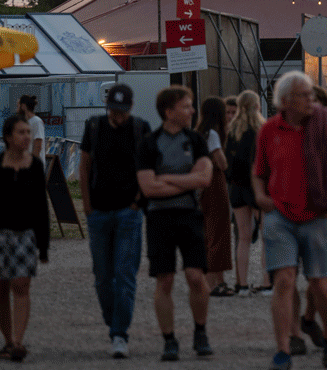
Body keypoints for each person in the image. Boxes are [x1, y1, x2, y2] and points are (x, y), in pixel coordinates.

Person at [254, 72, 327, 370]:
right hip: (280, 214)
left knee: (319, 282)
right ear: (287, 100)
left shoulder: (324, 126)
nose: (311, 100)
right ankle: (283, 349)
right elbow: (259, 171)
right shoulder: (270, 129)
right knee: (284, 280)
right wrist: (260, 197)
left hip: (316, 214)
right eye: (304, 95)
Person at [136, 85, 215, 361]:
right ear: (169, 112)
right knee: (165, 280)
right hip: (159, 218)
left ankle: (200, 332)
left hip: (190, 216)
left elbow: (204, 179)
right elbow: (148, 189)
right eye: (186, 106)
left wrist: (167, 179)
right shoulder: (149, 143)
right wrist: (186, 182)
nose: (192, 110)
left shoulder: (195, 140)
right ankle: (169, 339)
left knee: (196, 277)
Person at [0, 113, 50, 363]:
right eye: (21, 133)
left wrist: (44, 245)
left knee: (21, 285)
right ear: (8, 137)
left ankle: (18, 342)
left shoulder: (35, 165)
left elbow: (40, 206)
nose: (27, 137)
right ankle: (6, 340)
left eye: (28, 132)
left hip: (24, 235)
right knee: (0, 290)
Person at [79, 83, 150, 359]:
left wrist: (137, 201)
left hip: (128, 213)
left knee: (125, 274)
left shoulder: (139, 129)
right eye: (112, 110)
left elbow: (147, 166)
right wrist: (86, 205)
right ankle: (114, 320)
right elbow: (84, 166)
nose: (116, 116)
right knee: (101, 277)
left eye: (120, 111)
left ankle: (119, 333)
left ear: (130, 108)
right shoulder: (95, 127)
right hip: (98, 212)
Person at [226, 90, 264, 297]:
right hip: (256, 188)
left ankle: (241, 284)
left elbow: (228, 163)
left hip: (237, 188)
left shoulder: (233, 131)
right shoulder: (261, 130)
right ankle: (267, 284)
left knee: (243, 238)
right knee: (266, 237)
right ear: (257, 106)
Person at [196, 97, 234, 297]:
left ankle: (218, 280)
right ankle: (212, 283)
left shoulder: (199, 132)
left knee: (208, 230)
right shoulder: (212, 134)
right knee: (219, 231)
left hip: (203, 182)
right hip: (215, 182)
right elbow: (221, 161)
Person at [16, 95, 44, 160]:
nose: (17, 110)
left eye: (18, 106)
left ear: (23, 106)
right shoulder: (25, 122)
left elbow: (38, 145)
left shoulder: (36, 121)